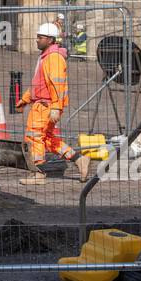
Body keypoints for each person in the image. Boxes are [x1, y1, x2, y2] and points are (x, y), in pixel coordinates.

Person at [16, 22, 90, 185]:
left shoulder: (53, 58)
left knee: (33, 137)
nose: (37, 40)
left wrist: (56, 107)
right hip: (44, 104)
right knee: (46, 138)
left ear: (50, 40)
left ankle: (39, 173)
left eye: (40, 37)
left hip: (46, 105)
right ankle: (78, 158)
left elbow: (57, 85)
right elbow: (39, 84)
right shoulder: (47, 57)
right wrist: (25, 99)